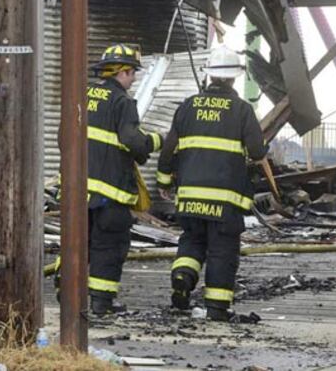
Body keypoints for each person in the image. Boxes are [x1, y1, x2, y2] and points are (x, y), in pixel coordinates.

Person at [156, 46, 268, 322]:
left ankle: (183, 275)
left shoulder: (187, 106)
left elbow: (168, 149)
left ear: (209, 76)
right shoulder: (242, 110)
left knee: (192, 240)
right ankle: (217, 308)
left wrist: (164, 180)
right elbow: (256, 152)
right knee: (221, 250)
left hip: (190, 196)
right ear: (233, 78)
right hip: (225, 200)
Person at [81, 43, 162, 315]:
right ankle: (102, 303)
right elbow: (131, 141)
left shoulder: (82, 94)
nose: (135, 78)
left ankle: (65, 289)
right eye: (133, 72)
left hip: (77, 188)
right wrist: (154, 142)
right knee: (109, 246)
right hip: (110, 192)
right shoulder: (123, 102)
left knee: (78, 242)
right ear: (123, 72)